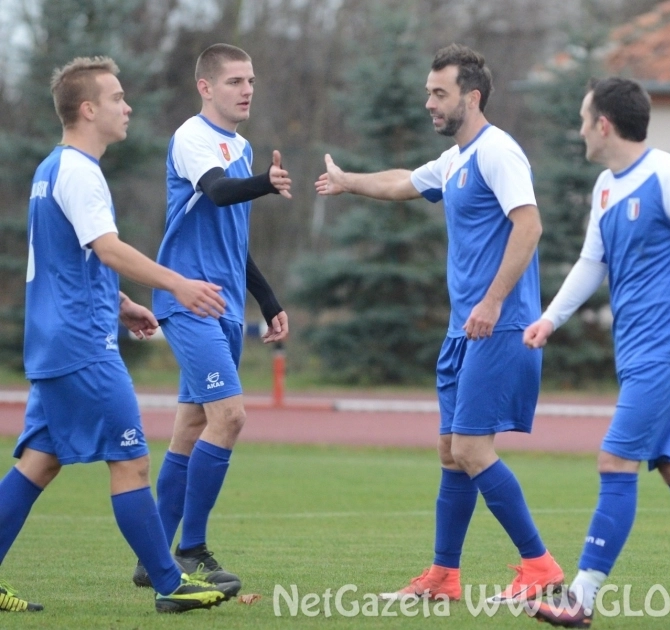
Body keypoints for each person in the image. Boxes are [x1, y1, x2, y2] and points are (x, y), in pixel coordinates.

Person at [315, 43, 563, 603]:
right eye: (428, 92)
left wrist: (493, 302)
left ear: (471, 98)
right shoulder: (455, 159)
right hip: (463, 331)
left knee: (472, 451)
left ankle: (540, 567)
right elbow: (403, 182)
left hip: (500, 324)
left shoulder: (498, 152)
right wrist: (348, 180)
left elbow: (529, 226)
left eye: (439, 93)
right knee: (452, 452)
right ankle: (443, 577)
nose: (429, 102)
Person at [523, 77, 670, 628]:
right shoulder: (606, 187)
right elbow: (592, 263)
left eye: (584, 120)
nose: (580, 130)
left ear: (604, 124)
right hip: (636, 353)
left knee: (615, 461)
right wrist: (550, 318)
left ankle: (580, 599)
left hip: (667, 350)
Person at [0, 56, 235, 613]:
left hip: (58, 339)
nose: (127, 107)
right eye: (116, 98)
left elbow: (66, 260)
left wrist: (122, 303)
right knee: (130, 462)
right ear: (88, 109)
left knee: (40, 462)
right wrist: (177, 284)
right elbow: (107, 249)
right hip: (83, 346)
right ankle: (170, 584)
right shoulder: (80, 170)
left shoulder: (52, 167)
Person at [131, 43, 291, 591]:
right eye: (234, 81)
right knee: (230, 416)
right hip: (188, 300)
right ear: (205, 87)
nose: (247, 90)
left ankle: (152, 556)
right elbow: (219, 193)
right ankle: (192, 549)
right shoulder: (192, 137)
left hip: (224, 306)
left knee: (193, 426)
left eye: (251, 80)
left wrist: (268, 300)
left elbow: (233, 241)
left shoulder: (242, 147)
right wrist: (265, 183)